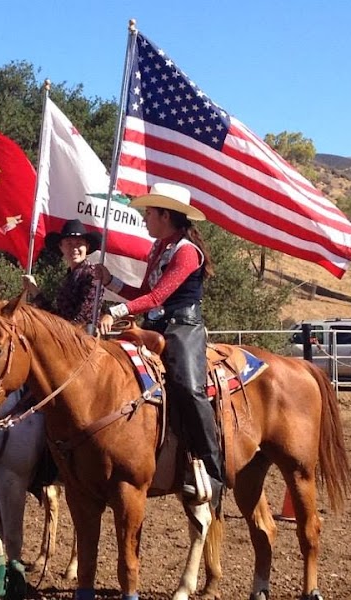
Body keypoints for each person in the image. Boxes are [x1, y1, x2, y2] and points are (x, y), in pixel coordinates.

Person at [96, 182, 222, 506]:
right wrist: (111, 282)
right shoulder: (159, 249)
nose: (145, 218)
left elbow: (157, 297)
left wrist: (116, 311)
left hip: (183, 327)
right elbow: (144, 293)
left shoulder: (186, 251)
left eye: (149, 213)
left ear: (166, 216)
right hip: (155, 325)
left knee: (189, 386)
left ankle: (212, 468)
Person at [22, 219, 103, 327]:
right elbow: (56, 317)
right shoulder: (68, 277)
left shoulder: (92, 275)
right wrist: (34, 290)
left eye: (79, 243)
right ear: (61, 247)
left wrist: (59, 330)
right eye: (69, 243)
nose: (74, 248)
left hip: (82, 335)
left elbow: (82, 318)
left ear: (87, 247)